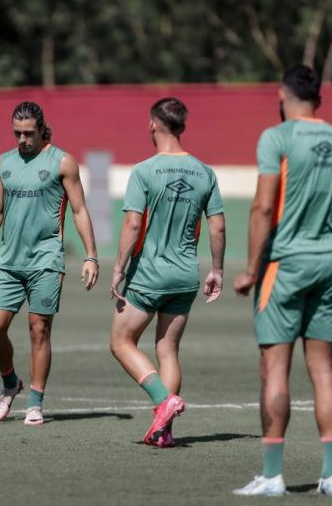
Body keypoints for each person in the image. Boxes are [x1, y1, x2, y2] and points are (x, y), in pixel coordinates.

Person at [232, 65, 332, 497]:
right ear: (319, 99)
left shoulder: (278, 137)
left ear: (282, 96)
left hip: (284, 265)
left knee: (275, 368)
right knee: (324, 369)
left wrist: (251, 269)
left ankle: (272, 476)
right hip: (329, 263)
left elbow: (262, 209)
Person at [0, 101, 99, 426]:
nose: (23, 139)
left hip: (46, 260)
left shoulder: (63, 162)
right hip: (9, 261)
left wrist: (91, 255)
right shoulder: (3, 163)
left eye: (29, 133)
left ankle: (36, 402)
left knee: (39, 330)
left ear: (42, 129)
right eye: (17, 133)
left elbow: (80, 210)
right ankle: (11, 382)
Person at [109, 97, 226, 447]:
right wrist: (216, 269)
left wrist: (117, 268)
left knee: (120, 341)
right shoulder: (205, 172)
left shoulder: (144, 170)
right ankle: (164, 431)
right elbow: (217, 227)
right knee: (168, 349)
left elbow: (132, 224)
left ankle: (163, 400)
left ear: (153, 125)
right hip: (185, 276)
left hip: (150, 274)